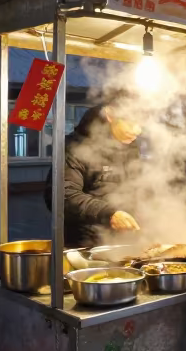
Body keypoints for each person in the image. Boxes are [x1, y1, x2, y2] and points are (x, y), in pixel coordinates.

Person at [48, 100, 143, 248]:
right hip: (87, 245)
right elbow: (61, 194)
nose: (137, 130)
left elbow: (136, 186)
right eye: (131, 123)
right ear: (110, 115)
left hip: (126, 242)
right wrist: (108, 213)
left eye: (141, 124)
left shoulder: (130, 146)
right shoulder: (77, 147)